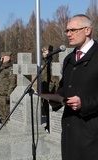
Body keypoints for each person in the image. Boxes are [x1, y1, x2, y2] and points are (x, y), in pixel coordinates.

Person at [49, 14, 98, 160]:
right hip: (70, 131)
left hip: (92, 133)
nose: (69, 34)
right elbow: (66, 87)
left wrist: (84, 103)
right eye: (67, 31)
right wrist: (55, 98)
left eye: (73, 30)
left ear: (87, 30)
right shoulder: (69, 59)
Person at [0, 52, 17, 123]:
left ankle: (6, 124)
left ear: (8, 58)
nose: (1, 58)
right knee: (0, 111)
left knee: (6, 113)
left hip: (5, 94)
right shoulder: (1, 68)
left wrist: (9, 95)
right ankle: (3, 122)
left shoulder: (10, 69)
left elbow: (12, 83)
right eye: (1, 57)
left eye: (3, 57)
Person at [41, 45, 58, 132]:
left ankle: (52, 127)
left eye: (46, 52)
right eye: (43, 52)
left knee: (51, 109)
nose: (44, 54)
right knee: (46, 109)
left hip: (51, 91)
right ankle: (48, 124)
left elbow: (54, 79)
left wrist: (51, 91)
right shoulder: (44, 63)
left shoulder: (53, 63)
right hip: (44, 90)